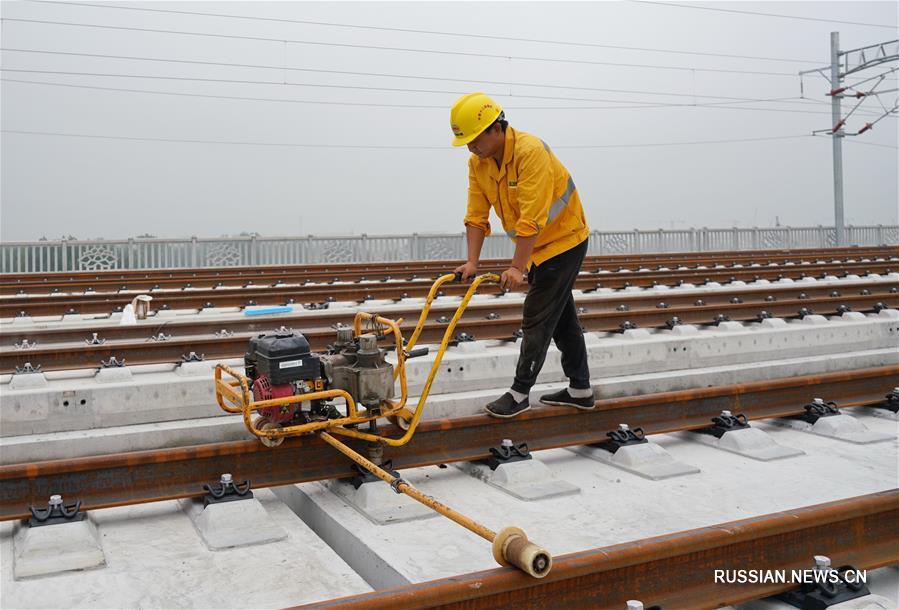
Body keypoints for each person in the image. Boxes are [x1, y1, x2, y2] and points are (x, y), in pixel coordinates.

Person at [449, 92, 594, 418]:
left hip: (564, 240)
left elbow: (532, 218)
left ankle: (519, 392)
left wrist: (517, 266)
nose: (471, 147)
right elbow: (476, 215)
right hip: (538, 247)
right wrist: (473, 261)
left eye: (474, 139)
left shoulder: (530, 152)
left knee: (538, 316)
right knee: (561, 319)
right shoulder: (478, 164)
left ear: (495, 129)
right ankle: (580, 389)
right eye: (467, 142)